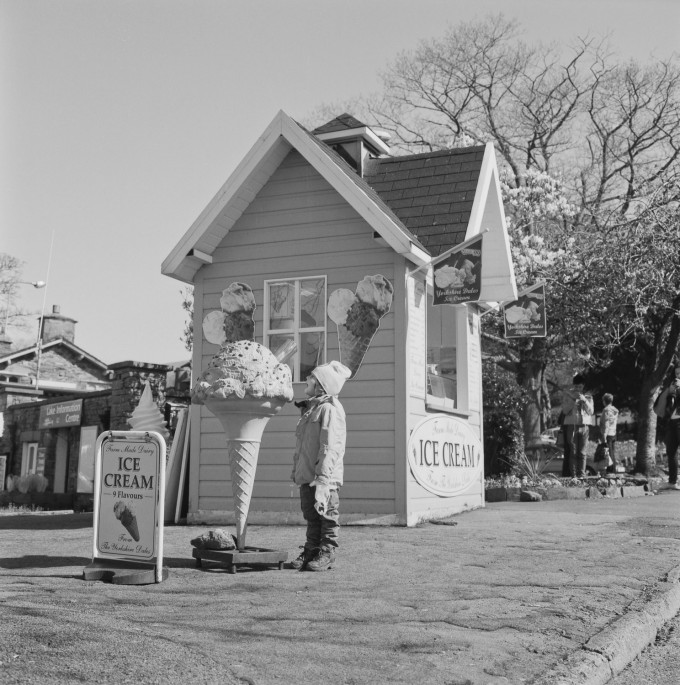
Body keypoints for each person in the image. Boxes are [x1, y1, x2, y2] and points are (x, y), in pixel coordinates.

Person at [290, 360, 351, 572]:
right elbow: (303, 446)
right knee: (311, 515)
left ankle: (327, 551)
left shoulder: (329, 410)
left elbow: (330, 445)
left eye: (312, 377)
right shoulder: (310, 409)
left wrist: (323, 477)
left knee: (327, 515)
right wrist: (297, 471)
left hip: (324, 477)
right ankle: (312, 549)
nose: (307, 379)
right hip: (308, 475)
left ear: (321, 385)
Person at [561, 374, 595, 477]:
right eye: (576, 387)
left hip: (584, 426)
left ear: (583, 386)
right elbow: (565, 411)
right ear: (573, 385)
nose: (577, 389)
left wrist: (584, 400)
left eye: (580, 387)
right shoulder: (568, 395)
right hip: (572, 425)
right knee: (573, 452)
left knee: (582, 452)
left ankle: (582, 475)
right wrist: (572, 400)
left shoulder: (588, 397)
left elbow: (591, 412)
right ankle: (574, 476)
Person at [654, 364, 680, 489]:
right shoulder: (673, 387)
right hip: (672, 422)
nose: (678, 376)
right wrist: (669, 391)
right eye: (676, 373)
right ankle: (673, 482)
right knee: (671, 452)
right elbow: (660, 406)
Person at [600, 393, 619, 473]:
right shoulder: (615, 410)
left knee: (609, 454)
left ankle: (611, 471)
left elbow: (606, 423)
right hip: (614, 433)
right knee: (612, 453)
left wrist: (604, 436)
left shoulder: (606, 410)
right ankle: (613, 470)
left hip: (608, 434)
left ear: (604, 401)